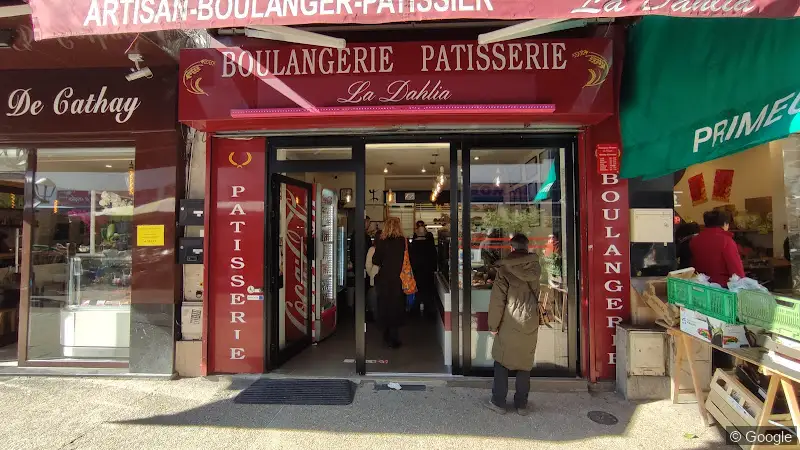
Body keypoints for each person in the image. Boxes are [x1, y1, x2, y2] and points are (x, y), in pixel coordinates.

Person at [485, 233, 541, 416]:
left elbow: (497, 302)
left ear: (512, 248)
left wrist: (493, 326)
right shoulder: (535, 267)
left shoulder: (504, 270)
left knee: (502, 361)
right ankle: (521, 404)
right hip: (530, 319)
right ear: (527, 247)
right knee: (525, 363)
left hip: (510, 320)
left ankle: (498, 402)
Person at [372, 217, 407, 348]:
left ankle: (386, 333)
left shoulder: (382, 241)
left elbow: (375, 260)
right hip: (398, 279)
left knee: (384, 306)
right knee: (396, 307)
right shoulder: (402, 242)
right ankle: (394, 337)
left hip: (384, 279)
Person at [689, 210, 745, 285]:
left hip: (700, 284)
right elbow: (735, 268)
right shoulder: (726, 241)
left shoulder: (694, 240)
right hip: (722, 286)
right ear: (725, 224)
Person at [409, 220, 437, 318]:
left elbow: (410, 259)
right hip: (427, 272)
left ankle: (415, 311)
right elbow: (434, 258)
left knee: (417, 291)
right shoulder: (429, 244)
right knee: (428, 292)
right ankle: (429, 311)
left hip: (417, 272)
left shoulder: (413, 245)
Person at [365, 230, 381, 322]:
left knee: (374, 297)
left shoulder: (372, 249)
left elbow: (368, 264)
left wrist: (371, 274)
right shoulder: (384, 248)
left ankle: (375, 316)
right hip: (382, 278)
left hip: (374, 277)